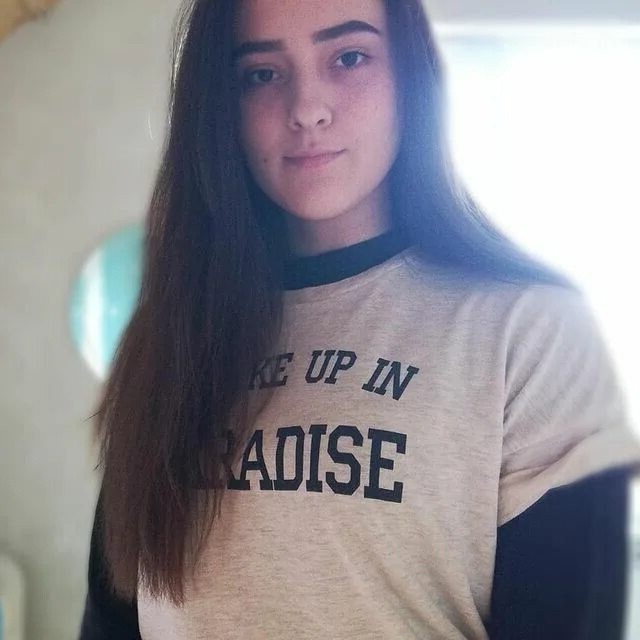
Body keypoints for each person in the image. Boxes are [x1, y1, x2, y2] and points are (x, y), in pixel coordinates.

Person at [78, 1, 640, 638]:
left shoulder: (532, 331)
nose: (307, 109)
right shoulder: (170, 337)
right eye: (261, 74)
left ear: (409, 78)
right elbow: (113, 615)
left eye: (349, 57)